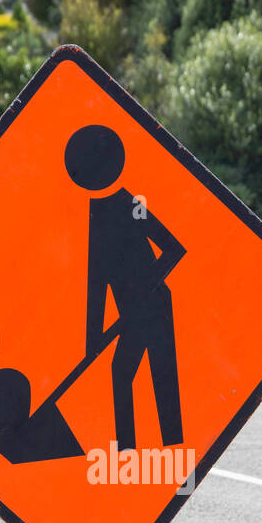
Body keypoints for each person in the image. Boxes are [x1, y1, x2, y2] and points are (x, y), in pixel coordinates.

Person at [65, 124, 185, 452]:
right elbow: (97, 283)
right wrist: (92, 341)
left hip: (155, 305)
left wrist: (147, 287)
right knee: (121, 373)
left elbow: (173, 248)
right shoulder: (95, 215)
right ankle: (127, 450)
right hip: (131, 312)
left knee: (161, 372)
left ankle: (171, 444)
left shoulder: (128, 203)